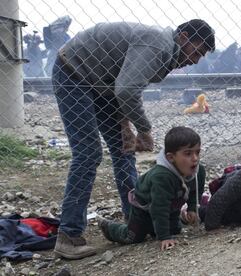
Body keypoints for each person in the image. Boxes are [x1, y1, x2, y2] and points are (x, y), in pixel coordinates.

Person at [52, 19, 215, 259]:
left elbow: (120, 79)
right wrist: (144, 129)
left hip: (100, 83)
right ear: (183, 36)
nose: (195, 60)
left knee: (124, 149)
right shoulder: (159, 45)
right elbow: (126, 89)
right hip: (73, 73)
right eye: (197, 51)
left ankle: (135, 220)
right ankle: (69, 235)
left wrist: (125, 124)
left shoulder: (167, 52)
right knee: (88, 153)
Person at [98, 126, 205, 251]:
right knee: (133, 237)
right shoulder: (162, 177)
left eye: (197, 152)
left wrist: (192, 208)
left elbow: (194, 192)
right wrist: (164, 237)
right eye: (188, 153)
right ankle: (109, 227)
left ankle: (156, 228)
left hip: (171, 203)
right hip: (144, 206)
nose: (195, 158)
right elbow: (158, 208)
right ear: (171, 157)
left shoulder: (198, 171)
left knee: (176, 229)